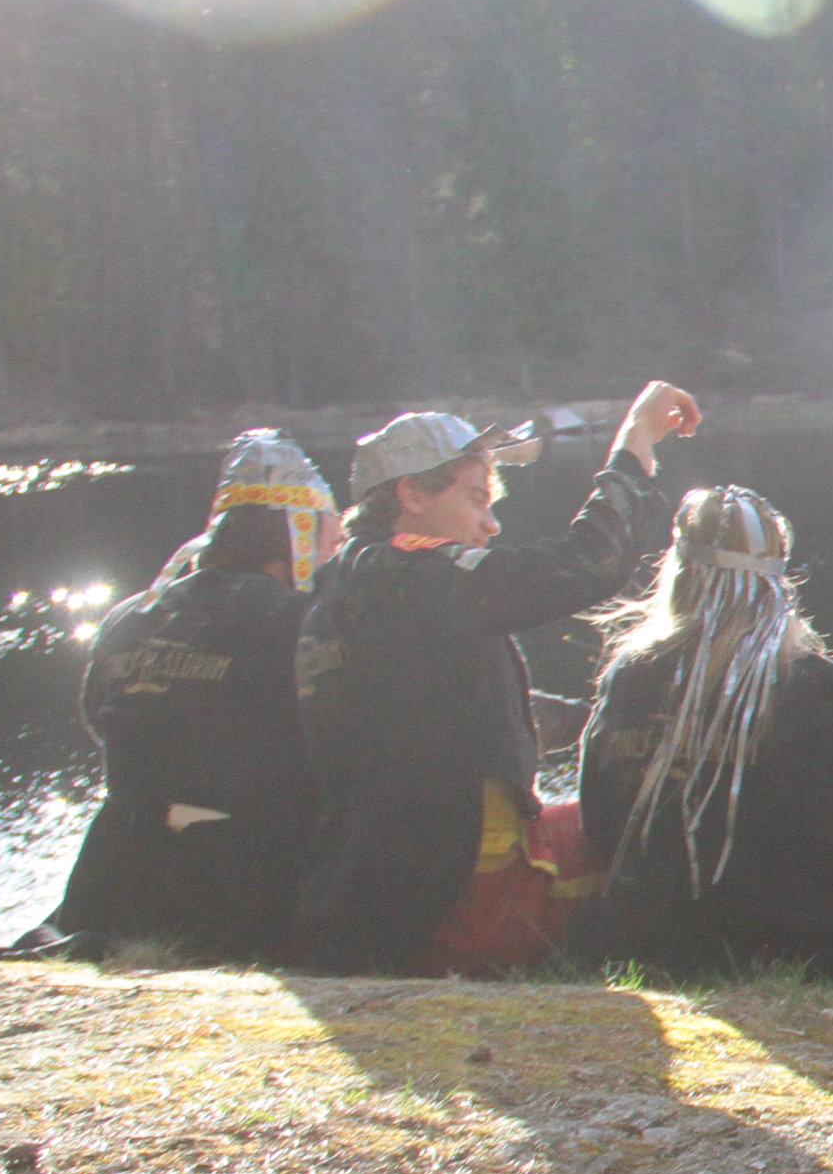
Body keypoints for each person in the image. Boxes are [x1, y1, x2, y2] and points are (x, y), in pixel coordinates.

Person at [293, 386, 693, 975]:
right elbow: (589, 563)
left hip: (365, 890)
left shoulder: (342, 585)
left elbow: (469, 713)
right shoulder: (416, 577)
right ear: (411, 494)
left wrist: (605, 726)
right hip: (459, 903)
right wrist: (633, 444)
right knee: (656, 825)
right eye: (477, 498)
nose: (491, 523)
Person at [44, 431, 337, 958]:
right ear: (299, 535)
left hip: (112, 875)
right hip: (240, 887)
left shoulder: (126, 616)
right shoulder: (300, 621)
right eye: (330, 537)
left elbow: (100, 721)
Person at [566, 487, 833, 977]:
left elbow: (599, 817)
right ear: (778, 582)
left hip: (644, 934)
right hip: (779, 942)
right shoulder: (821, 687)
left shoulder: (630, 672)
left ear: (679, 575)